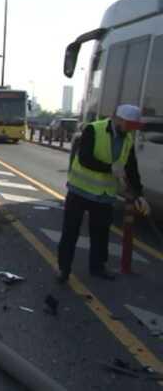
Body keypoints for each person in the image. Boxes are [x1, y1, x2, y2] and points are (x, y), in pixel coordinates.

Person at [57, 104, 150, 283]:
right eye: (129, 125)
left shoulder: (128, 140)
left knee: (100, 234)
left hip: (104, 195)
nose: (131, 130)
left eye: (133, 127)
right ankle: (64, 269)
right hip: (80, 191)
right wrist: (110, 169)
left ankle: (98, 267)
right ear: (117, 119)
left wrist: (139, 195)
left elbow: (131, 170)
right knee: (70, 232)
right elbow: (84, 158)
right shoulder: (94, 130)